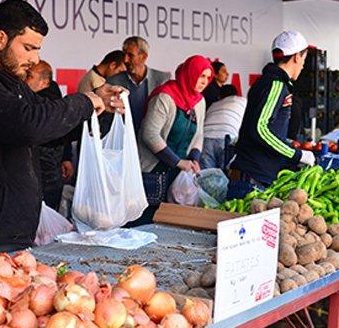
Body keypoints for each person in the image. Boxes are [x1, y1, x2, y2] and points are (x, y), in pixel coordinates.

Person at [0, 0, 123, 250]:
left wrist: (99, 112)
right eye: (29, 48)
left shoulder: (13, 82)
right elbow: (27, 124)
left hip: (14, 233)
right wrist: (84, 102)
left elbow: (47, 133)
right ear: (0, 39)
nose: (35, 59)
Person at [232, 31, 316, 186]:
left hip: (255, 172)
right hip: (255, 175)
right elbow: (260, 128)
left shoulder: (269, 82)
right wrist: (297, 155)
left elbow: (268, 125)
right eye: (304, 58)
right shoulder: (275, 84)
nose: (304, 64)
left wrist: (286, 143)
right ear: (297, 56)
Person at [137, 56, 213, 223]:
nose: (204, 82)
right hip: (153, 170)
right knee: (147, 221)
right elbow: (149, 134)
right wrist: (178, 162)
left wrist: (194, 158)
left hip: (178, 172)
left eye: (208, 78)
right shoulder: (164, 97)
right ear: (189, 74)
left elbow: (199, 133)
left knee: (172, 221)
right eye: (201, 76)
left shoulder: (199, 101)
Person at [24, 60, 75, 210]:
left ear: (44, 82)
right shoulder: (24, 96)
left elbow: (63, 130)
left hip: (49, 169)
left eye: (29, 75)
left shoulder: (49, 102)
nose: (24, 78)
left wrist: (66, 157)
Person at [105, 36, 171, 133]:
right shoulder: (113, 82)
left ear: (144, 57)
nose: (125, 60)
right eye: (124, 55)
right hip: (124, 141)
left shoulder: (163, 80)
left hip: (152, 143)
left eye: (130, 55)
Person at [201, 85, 247, 170]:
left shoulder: (213, 105)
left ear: (219, 96)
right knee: (225, 177)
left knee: (207, 177)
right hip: (226, 138)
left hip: (205, 138)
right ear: (237, 94)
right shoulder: (243, 101)